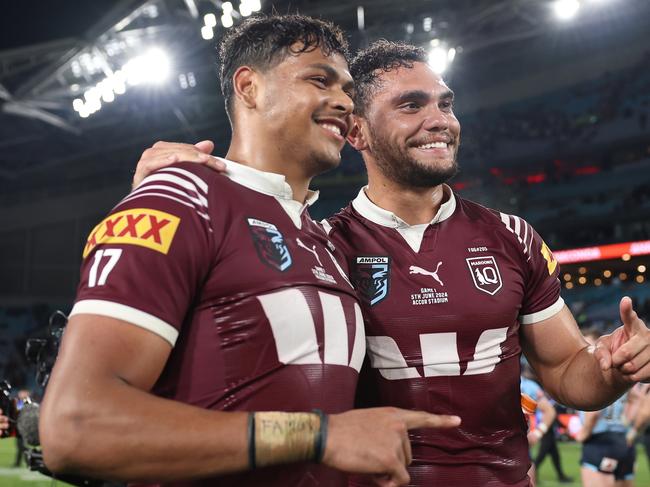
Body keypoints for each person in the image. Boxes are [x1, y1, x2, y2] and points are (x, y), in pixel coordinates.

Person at [132, 40, 650, 486]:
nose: (440, 120)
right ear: (355, 132)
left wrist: (613, 369)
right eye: (411, 105)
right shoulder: (320, 244)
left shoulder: (511, 236)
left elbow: (565, 371)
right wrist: (185, 183)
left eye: (445, 104)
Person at [39, 16, 460, 487]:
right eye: (319, 79)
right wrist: (319, 436)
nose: (344, 101)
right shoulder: (183, 197)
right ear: (249, 87)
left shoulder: (320, 238)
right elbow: (74, 427)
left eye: (347, 89)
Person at [576, 329, 636, 487]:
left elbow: (594, 410)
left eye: (586, 344)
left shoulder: (594, 372)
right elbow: (635, 400)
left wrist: (584, 433)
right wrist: (630, 428)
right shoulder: (618, 372)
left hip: (599, 442)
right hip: (621, 439)